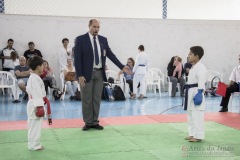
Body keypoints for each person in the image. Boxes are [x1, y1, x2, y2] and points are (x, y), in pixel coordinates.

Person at [74, 19, 129, 131]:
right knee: (86, 99)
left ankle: (95, 121)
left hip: (99, 73)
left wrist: (121, 66)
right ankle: (88, 122)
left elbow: (111, 55)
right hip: (85, 74)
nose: (96, 29)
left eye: (98, 27)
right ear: (89, 26)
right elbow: (77, 59)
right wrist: (79, 75)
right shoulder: (80, 40)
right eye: (94, 27)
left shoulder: (103, 40)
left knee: (97, 98)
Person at [184, 46, 207, 142]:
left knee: (197, 114)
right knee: (190, 114)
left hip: (197, 91)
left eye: (190, 54)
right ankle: (192, 133)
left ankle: (199, 135)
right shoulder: (193, 67)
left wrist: (199, 93)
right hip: (190, 91)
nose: (188, 56)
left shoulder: (201, 68)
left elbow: (201, 82)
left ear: (196, 56)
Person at [26, 55, 45, 150]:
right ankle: (34, 145)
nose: (43, 67)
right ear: (38, 67)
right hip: (35, 104)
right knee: (35, 126)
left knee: (34, 125)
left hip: (33, 103)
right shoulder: (34, 78)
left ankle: (33, 144)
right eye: (42, 65)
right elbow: (37, 93)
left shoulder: (34, 77)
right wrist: (39, 107)